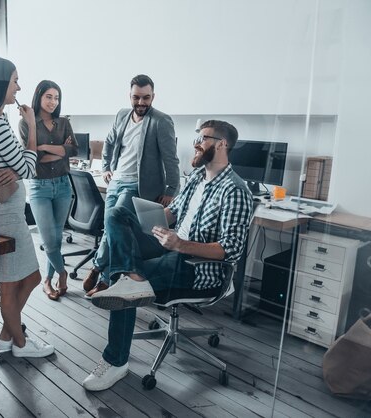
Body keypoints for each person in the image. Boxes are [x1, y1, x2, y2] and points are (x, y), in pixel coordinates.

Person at [81, 120, 254, 391]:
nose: (196, 143)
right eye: (197, 137)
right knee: (117, 213)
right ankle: (131, 277)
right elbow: (171, 215)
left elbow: (230, 249)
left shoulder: (235, 190)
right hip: (169, 245)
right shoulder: (197, 177)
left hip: (196, 266)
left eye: (203, 138)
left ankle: (116, 361)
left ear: (222, 144)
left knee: (120, 286)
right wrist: (145, 217)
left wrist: (181, 244)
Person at [0, 56, 53, 358]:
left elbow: (18, 167)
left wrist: (19, 168)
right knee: (18, 281)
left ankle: (7, 336)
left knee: (28, 277)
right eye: (15, 80)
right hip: (7, 213)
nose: (19, 86)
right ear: (1, 83)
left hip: (7, 211)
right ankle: (20, 344)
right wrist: (31, 126)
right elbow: (29, 167)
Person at [83, 74, 180, 297]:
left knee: (114, 225)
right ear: (130, 96)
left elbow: (171, 158)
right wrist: (106, 166)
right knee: (110, 229)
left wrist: (171, 190)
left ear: (153, 96)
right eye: (136, 97)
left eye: (146, 98)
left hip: (137, 186)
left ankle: (103, 274)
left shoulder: (161, 121)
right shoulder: (122, 115)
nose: (141, 103)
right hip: (115, 181)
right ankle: (102, 270)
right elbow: (109, 142)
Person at [19, 80, 78, 301]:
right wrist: (57, 151)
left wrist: (44, 148)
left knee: (56, 238)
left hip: (63, 185)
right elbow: (33, 156)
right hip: (39, 186)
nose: (53, 102)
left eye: (57, 98)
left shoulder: (63, 122)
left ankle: (47, 280)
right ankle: (62, 274)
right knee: (48, 240)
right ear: (39, 97)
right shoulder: (27, 123)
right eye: (49, 97)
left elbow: (74, 149)